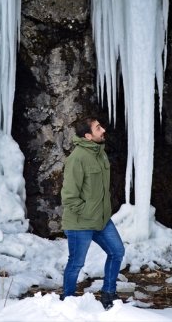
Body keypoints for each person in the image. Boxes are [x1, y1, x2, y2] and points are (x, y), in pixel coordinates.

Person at [60, 117, 125, 309]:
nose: (103, 129)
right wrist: (87, 212)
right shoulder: (77, 158)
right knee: (76, 264)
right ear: (88, 136)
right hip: (81, 222)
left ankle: (108, 293)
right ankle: (68, 302)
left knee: (117, 252)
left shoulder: (100, 153)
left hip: (102, 219)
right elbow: (69, 196)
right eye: (98, 128)